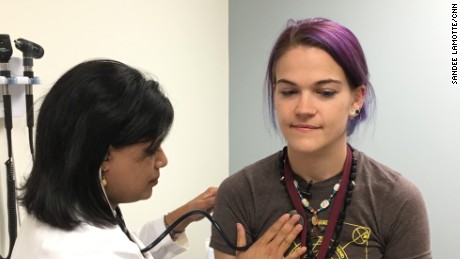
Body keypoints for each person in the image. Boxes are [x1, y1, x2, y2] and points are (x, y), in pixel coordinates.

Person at [210, 17, 431, 259]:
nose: (304, 108)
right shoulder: (239, 193)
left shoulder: (397, 201)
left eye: (325, 93)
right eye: (289, 92)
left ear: (356, 99)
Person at [11, 59, 217, 259]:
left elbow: (131, 248)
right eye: (151, 149)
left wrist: (181, 218)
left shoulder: (51, 220)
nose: (163, 160)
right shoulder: (91, 252)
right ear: (103, 156)